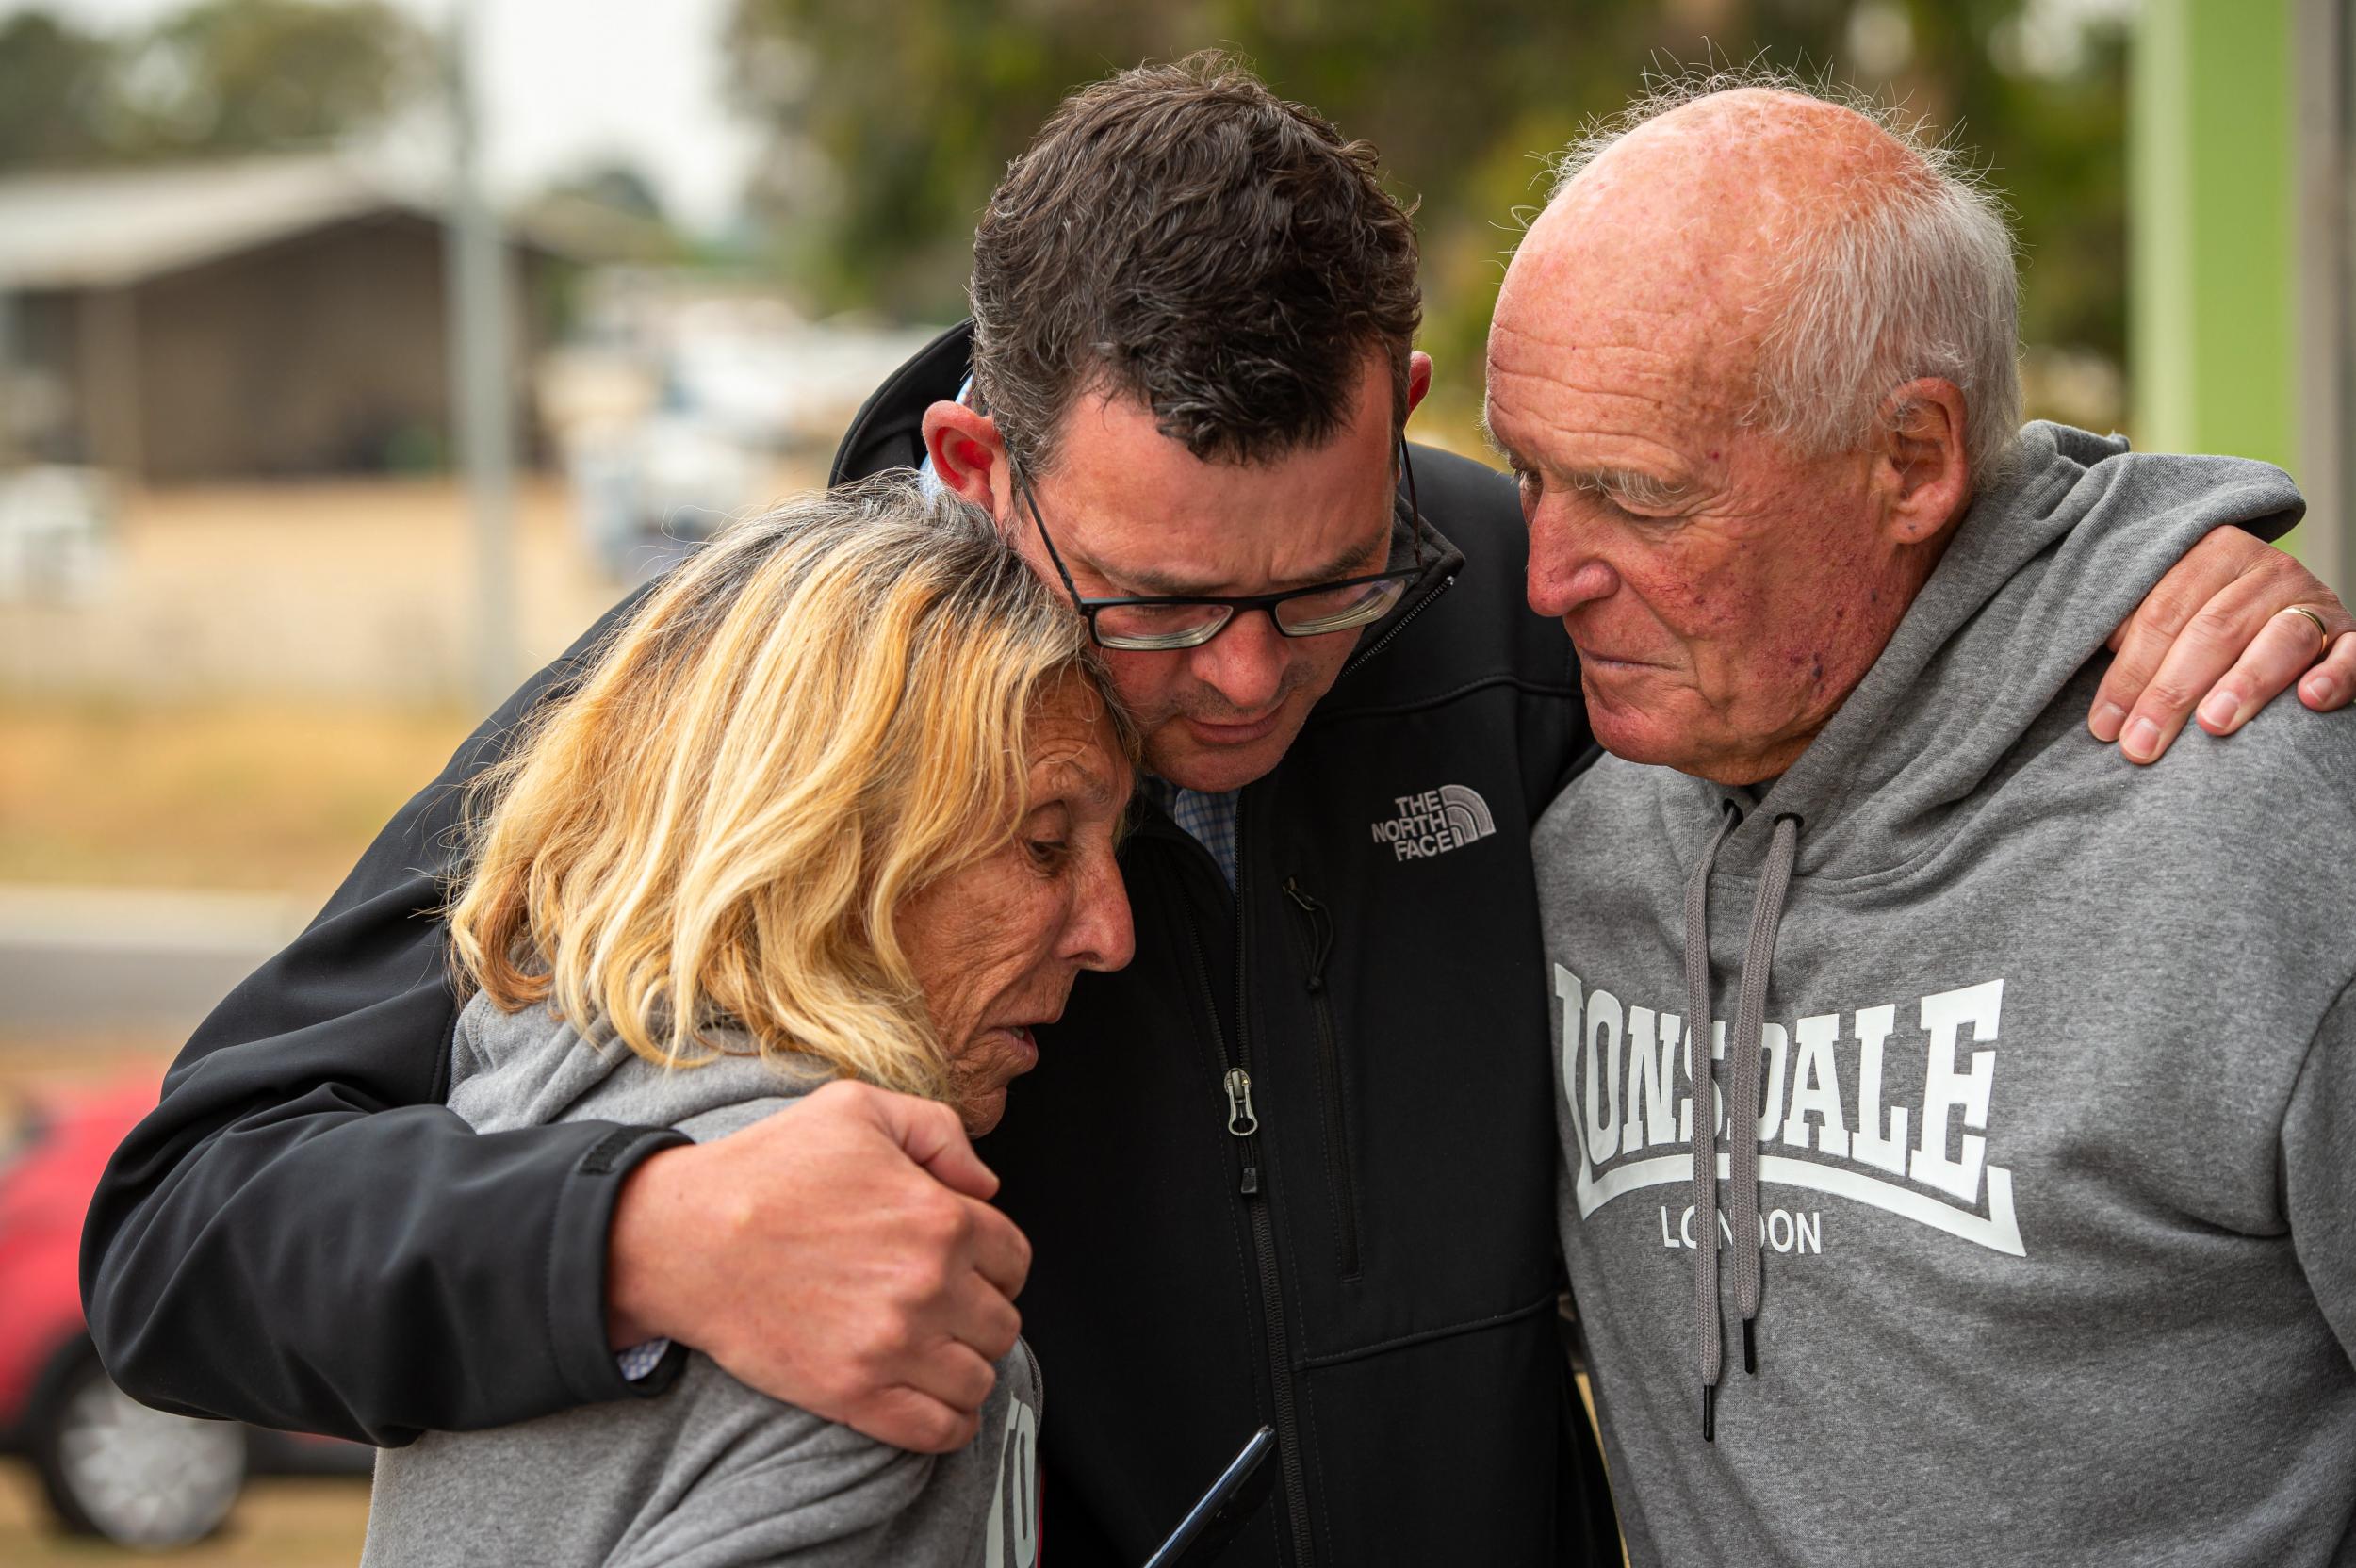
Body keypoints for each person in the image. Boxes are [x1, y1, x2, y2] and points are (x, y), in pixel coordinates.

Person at [84, 55, 2352, 1568]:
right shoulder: (730, 712)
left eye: (1325, 582)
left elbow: (1851, 528)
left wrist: (2154, 557)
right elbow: (184, 1224)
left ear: (1410, 420)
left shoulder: (1517, 597)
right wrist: (638, 1235)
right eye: (1163, 605)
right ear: (981, 466)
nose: (1256, 675)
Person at [1497, 76, 2356, 1565]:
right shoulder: (1568, 823)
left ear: (1911, 460)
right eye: (1529, 477)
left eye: (1638, 497)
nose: (1547, 577)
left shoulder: (2254, 829)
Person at [364, 474, 1134, 1566]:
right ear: (825, 838)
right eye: (1046, 842)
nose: (1111, 930)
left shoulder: (531, 1100)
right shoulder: (857, 1290)